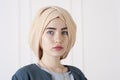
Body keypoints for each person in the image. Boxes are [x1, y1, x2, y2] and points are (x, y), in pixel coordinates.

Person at [12, 6, 87, 80]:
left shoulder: (77, 74)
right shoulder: (24, 75)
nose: (58, 39)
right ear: (38, 36)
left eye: (64, 32)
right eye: (50, 32)